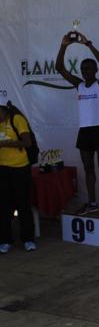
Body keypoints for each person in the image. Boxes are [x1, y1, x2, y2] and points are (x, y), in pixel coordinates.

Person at [55, 32, 99, 217]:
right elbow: (59, 68)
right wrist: (64, 45)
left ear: (95, 70)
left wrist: (88, 44)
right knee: (88, 168)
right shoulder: (79, 84)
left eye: (89, 68)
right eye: (83, 69)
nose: (86, 71)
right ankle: (92, 203)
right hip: (84, 131)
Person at [0, 104, 36, 253]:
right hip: (2, 168)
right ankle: (5, 240)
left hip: (20, 168)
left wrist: (5, 144)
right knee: (3, 206)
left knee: (23, 204)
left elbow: (27, 142)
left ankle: (28, 239)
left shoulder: (17, 119)